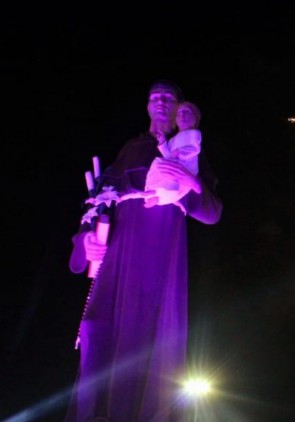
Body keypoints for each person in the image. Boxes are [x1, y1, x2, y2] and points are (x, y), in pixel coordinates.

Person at [65, 80, 223, 421]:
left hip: (159, 255)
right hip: (119, 254)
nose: (161, 102)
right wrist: (88, 238)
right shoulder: (131, 148)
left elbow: (212, 212)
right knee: (98, 330)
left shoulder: (191, 151)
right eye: (155, 97)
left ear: (182, 107)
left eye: (169, 98)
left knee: (148, 336)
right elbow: (97, 200)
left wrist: (188, 179)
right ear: (147, 106)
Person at [137, 100, 204, 212]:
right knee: (158, 164)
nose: (181, 115)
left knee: (176, 183)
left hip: (186, 167)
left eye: (186, 111)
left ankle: (161, 196)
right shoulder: (173, 139)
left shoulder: (194, 133)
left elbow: (194, 149)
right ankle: (153, 191)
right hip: (174, 163)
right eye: (179, 113)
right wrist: (162, 142)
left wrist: (179, 152)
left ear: (195, 118)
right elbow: (168, 155)